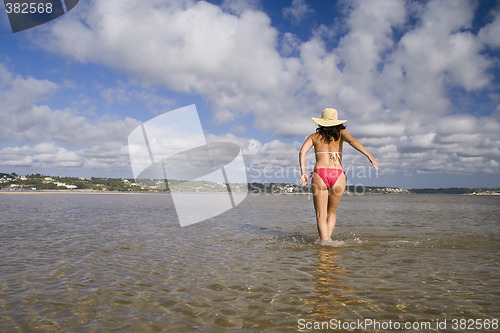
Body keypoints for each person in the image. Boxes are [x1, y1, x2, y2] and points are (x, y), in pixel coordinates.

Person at [299, 108, 378, 245]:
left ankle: (324, 244)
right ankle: (328, 242)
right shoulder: (341, 134)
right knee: (332, 213)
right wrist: (369, 155)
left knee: (320, 215)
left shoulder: (313, 137)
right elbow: (353, 141)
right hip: (338, 175)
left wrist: (304, 173)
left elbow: (302, 152)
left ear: (321, 122)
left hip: (320, 175)